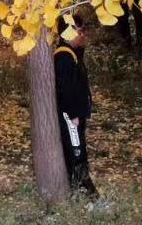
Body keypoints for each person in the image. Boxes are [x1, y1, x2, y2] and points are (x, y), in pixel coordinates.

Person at [54, 13, 97, 196]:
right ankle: (88, 195)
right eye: (80, 31)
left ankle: (82, 191)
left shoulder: (73, 54)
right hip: (70, 117)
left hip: (76, 115)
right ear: (70, 32)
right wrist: (73, 115)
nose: (83, 35)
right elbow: (65, 89)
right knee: (77, 153)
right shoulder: (63, 57)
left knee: (79, 151)